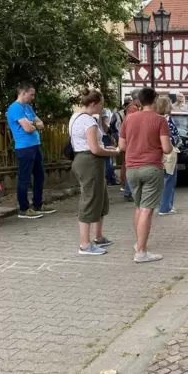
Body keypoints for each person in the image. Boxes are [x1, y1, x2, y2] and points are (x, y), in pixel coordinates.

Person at [119, 87, 172, 263]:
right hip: (151, 168)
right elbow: (166, 148)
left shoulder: (129, 118)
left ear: (139, 101)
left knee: (139, 206)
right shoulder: (160, 120)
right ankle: (141, 252)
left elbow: (122, 145)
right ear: (155, 99)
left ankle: (138, 243)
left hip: (131, 169)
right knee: (147, 210)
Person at [69, 89, 119, 255]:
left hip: (84, 159)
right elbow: (95, 149)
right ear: (92, 104)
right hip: (89, 161)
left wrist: (107, 148)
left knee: (100, 197)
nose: (102, 107)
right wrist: (115, 152)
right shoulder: (88, 122)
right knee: (90, 200)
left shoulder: (74, 118)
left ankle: (98, 236)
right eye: (100, 104)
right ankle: (85, 244)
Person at [6, 82, 55, 219]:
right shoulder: (15, 108)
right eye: (31, 94)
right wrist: (33, 124)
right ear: (23, 93)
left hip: (35, 145)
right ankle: (24, 209)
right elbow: (28, 128)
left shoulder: (27, 108)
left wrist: (32, 124)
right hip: (24, 147)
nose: (33, 97)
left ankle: (38, 204)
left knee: (39, 176)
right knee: (25, 178)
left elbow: (41, 124)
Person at [157, 96, 181, 215]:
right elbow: (173, 136)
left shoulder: (155, 118)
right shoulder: (168, 119)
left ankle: (166, 205)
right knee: (169, 179)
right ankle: (165, 207)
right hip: (168, 152)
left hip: (156, 152)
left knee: (162, 180)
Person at [122, 90, 141, 202]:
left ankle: (129, 192)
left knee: (132, 166)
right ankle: (129, 192)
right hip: (132, 142)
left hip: (130, 141)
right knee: (133, 166)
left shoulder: (131, 108)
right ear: (136, 99)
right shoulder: (133, 109)